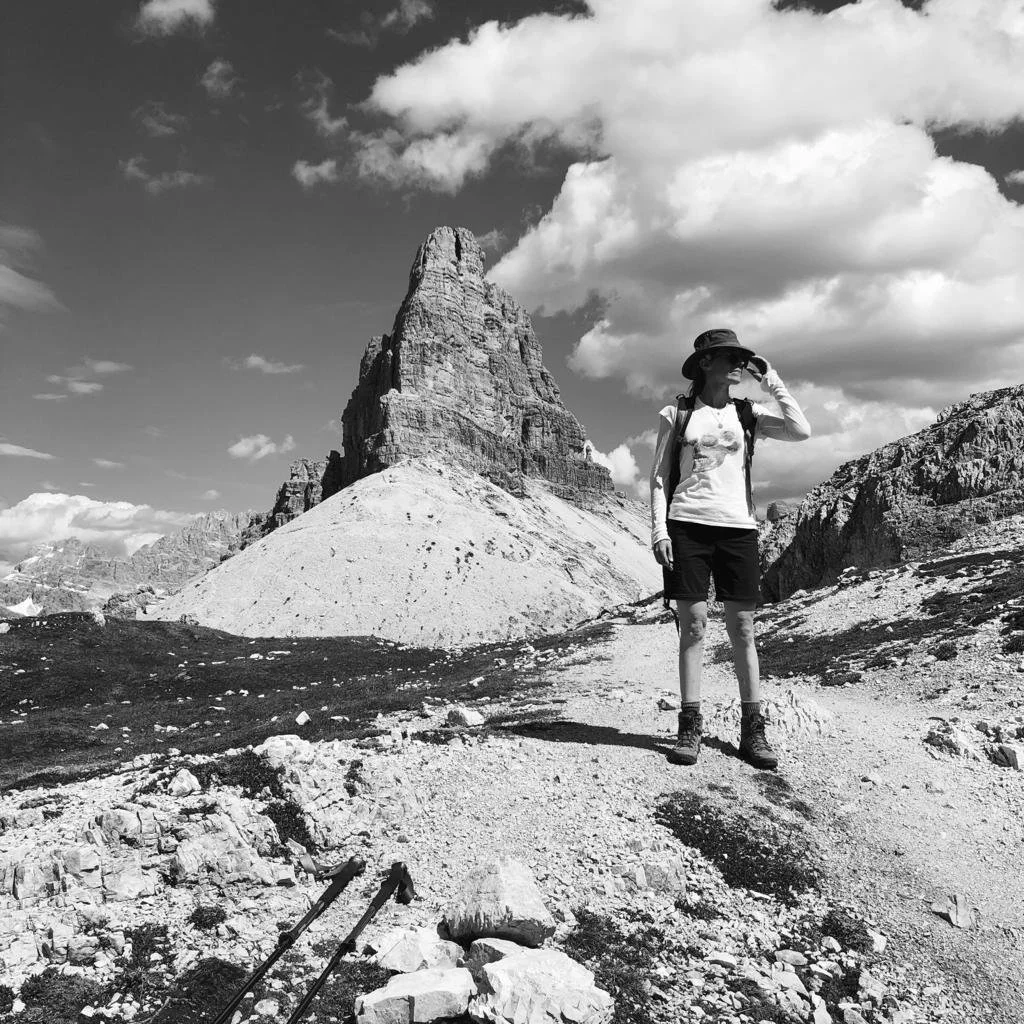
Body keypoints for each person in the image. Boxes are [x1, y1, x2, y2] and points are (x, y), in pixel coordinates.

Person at [649, 328, 811, 769]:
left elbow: (801, 430)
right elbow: (662, 478)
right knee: (695, 625)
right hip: (687, 526)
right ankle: (689, 724)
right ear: (705, 363)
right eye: (730, 356)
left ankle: (752, 730)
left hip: (739, 528)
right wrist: (659, 533)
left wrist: (771, 380)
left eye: (744, 357)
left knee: (743, 630)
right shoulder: (676, 413)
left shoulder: (749, 413)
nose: (741, 363)